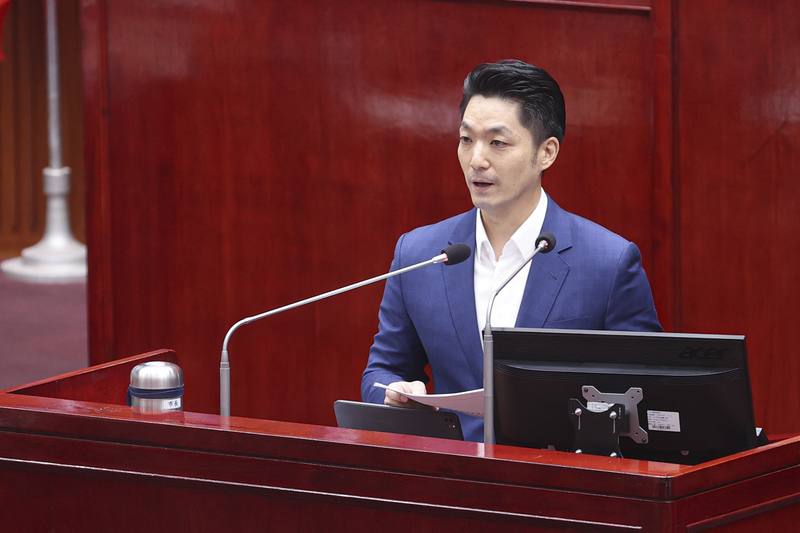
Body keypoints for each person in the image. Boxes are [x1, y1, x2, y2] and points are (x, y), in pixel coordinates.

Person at [361, 60, 661, 441]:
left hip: (558, 485)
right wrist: (393, 392)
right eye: (466, 139)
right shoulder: (420, 254)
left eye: (498, 143)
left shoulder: (607, 262)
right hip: (452, 485)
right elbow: (382, 371)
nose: (476, 159)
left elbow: (645, 393)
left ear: (546, 153)